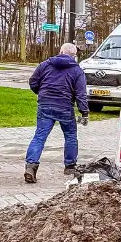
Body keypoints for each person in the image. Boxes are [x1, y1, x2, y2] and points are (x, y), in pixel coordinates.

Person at [24, 43, 88, 183]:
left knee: (39, 136)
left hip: (45, 104)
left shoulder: (45, 64)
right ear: (75, 56)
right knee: (70, 136)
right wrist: (84, 112)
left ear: (60, 51)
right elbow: (81, 94)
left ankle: (31, 166)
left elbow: (33, 82)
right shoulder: (77, 71)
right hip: (65, 106)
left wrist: (41, 93)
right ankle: (70, 166)